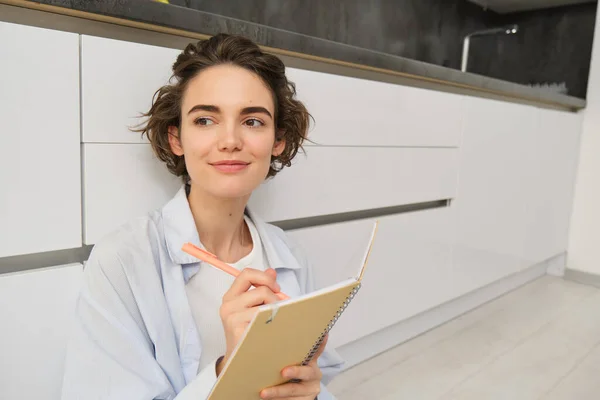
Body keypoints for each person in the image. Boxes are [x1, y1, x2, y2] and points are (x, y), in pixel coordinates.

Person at [60, 33, 344, 400]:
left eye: (253, 121)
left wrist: (308, 390)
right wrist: (230, 371)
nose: (229, 140)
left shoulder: (290, 256)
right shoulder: (122, 262)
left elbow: (323, 376)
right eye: (205, 120)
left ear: (278, 140)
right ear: (176, 138)